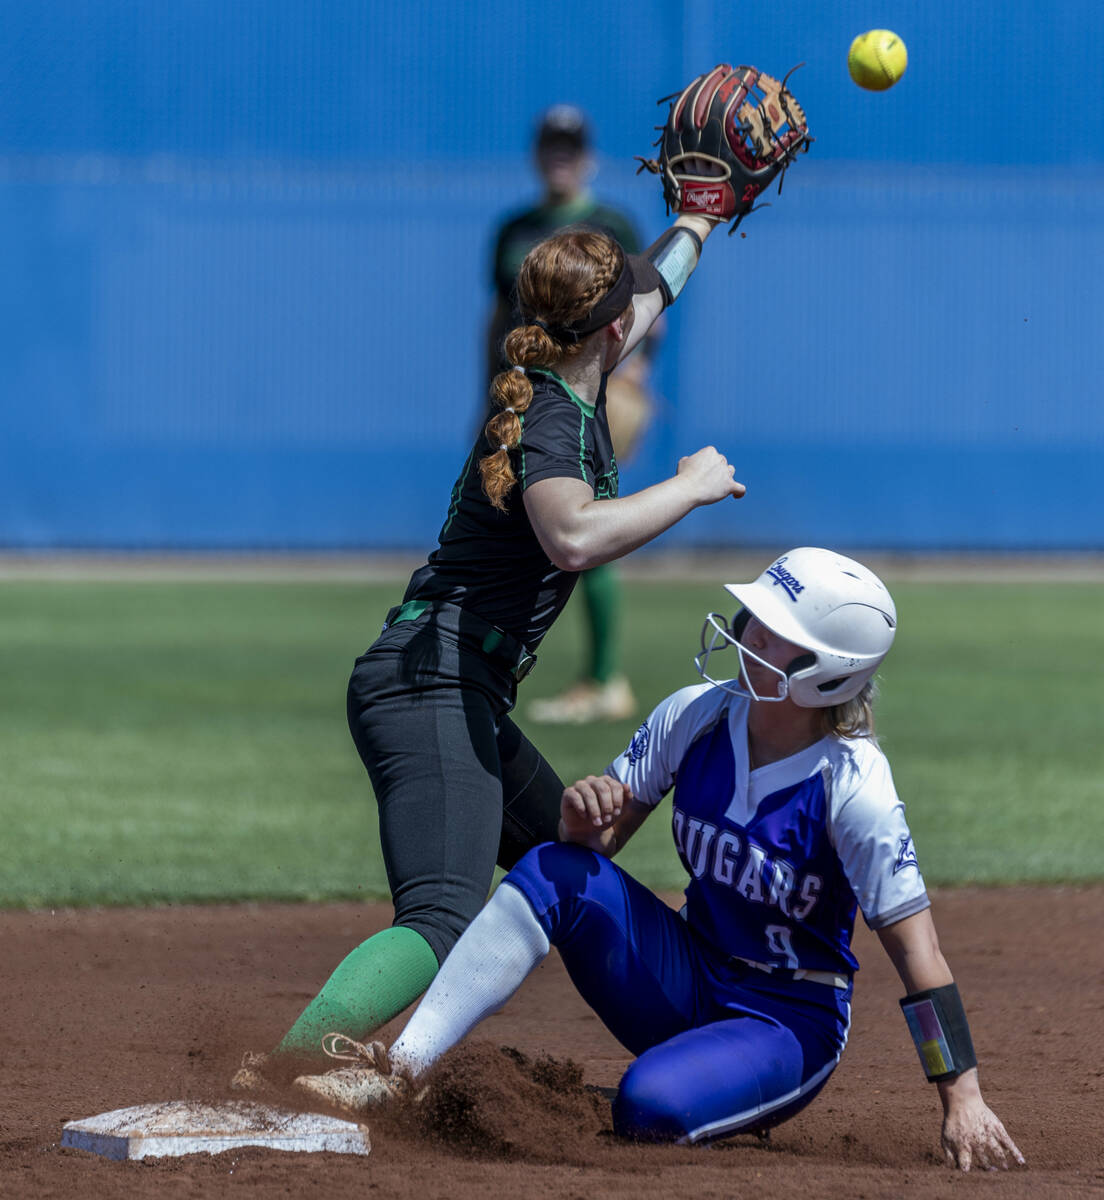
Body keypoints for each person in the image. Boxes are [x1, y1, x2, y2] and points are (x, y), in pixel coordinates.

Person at [290, 548, 1025, 1173]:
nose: (746, 633)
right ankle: (400, 1070)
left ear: (825, 674)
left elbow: (919, 956)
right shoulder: (696, 714)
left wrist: (962, 1096)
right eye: (753, 618)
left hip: (785, 1020)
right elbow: (594, 851)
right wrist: (581, 821)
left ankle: (711, 1090)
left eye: (774, 632)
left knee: (649, 1105)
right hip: (688, 970)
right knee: (551, 867)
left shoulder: (853, 787)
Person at [231, 206, 743, 1091]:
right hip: (430, 685)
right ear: (611, 330)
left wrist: (698, 218)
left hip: (456, 685)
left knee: (576, 850)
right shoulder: (553, 418)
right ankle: (283, 1072)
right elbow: (572, 536)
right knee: (439, 915)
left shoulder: (570, 371)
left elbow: (654, 291)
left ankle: (416, 1057)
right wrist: (688, 488)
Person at [489, 104, 659, 725]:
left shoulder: (609, 221)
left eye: (572, 147)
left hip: (595, 386)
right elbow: (497, 319)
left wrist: (633, 371)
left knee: (580, 527)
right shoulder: (514, 229)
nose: (561, 156)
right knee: (537, 530)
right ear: (537, 153)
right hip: (523, 393)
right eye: (551, 146)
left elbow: (647, 302)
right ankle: (531, 668)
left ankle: (604, 676)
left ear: (587, 155)